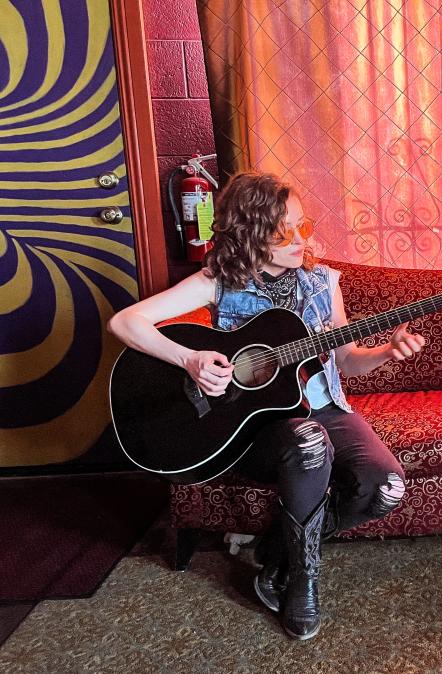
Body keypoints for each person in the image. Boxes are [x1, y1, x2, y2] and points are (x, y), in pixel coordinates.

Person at [108, 171, 423, 640]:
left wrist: (383, 353)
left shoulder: (322, 283)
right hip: (257, 427)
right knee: (308, 441)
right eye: (282, 233)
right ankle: (302, 581)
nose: (300, 240)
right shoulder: (216, 281)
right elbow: (126, 322)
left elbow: (345, 362)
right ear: (251, 232)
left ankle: (273, 554)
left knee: (387, 490)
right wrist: (189, 358)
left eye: (303, 225)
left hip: (326, 408)